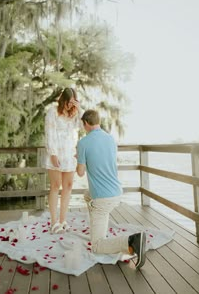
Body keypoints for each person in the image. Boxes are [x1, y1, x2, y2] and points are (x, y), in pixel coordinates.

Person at [76, 109, 146, 269]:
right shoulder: (110, 139)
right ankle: (98, 226)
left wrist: (80, 158)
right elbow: (101, 158)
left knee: (97, 246)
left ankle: (132, 240)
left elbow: (80, 172)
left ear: (86, 123)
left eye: (83, 125)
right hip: (116, 192)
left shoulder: (83, 143)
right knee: (87, 195)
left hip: (102, 199)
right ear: (98, 122)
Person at [45, 87, 82, 234]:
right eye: (68, 102)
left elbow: (83, 126)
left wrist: (79, 108)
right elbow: (49, 133)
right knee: (55, 186)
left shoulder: (74, 113)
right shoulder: (53, 112)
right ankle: (54, 222)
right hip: (56, 153)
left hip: (70, 155)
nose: (70, 105)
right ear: (63, 100)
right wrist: (52, 153)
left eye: (73, 102)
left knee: (68, 186)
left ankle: (62, 220)